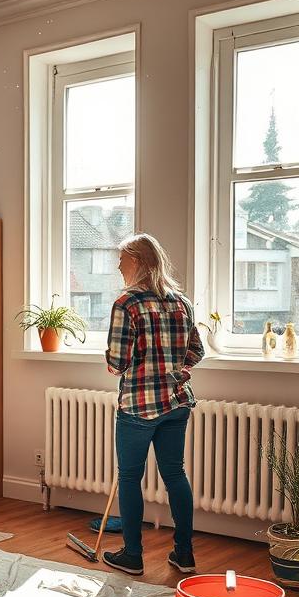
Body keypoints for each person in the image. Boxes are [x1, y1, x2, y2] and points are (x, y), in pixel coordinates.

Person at [103, 233, 204, 575]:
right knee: (175, 474)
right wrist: (180, 370)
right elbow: (197, 351)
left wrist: (115, 360)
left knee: (130, 476)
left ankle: (132, 555)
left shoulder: (127, 304)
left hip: (138, 406)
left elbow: (117, 363)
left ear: (139, 262)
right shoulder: (182, 302)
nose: (118, 265)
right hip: (176, 403)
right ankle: (184, 554)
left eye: (123, 259)